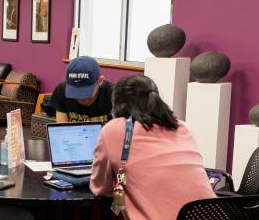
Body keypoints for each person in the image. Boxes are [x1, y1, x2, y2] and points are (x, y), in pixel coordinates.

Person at [90, 74, 215, 220]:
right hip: (213, 214)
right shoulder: (181, 127)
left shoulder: (115, 130)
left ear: (117, 104)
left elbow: (100, 188)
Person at [51, 56, 114, 123]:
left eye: (85, 91)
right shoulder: (61, 91)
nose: (80, 97)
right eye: (75, 91)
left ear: (100, 81)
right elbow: (62, 130)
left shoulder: (114, 95)